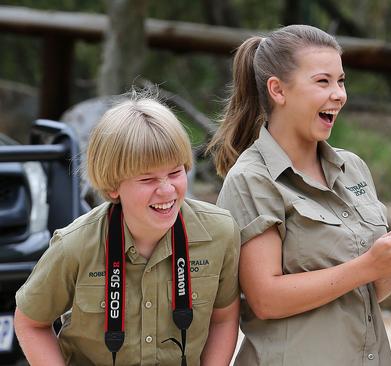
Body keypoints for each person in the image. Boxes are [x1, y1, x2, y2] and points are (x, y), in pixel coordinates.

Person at [208, 24, 391, 366]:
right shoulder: (251, 179)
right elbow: (265, 298)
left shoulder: (354, 168)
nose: (339, 94)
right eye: (323, 81)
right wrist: (367, 266)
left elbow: (375, 291)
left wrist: (388, 267)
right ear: (278, 90)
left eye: (341, 81)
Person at [14, 96, 241, 366]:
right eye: (147, 179)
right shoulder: (74, 245)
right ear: (112, 187)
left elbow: (224, 317)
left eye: (175, 172)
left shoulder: (220, 232)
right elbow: (30, 322)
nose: (167, 190)